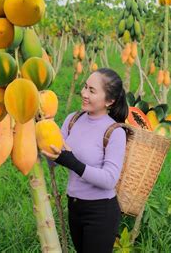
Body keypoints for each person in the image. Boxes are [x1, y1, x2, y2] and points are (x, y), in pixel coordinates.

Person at [42, 68, 128, 253]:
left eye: (92, 90)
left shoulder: (115, 132)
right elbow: (54, 161)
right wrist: (41, 131)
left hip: (100, 212)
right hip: (74, 207)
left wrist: (73, 162)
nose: (84, 94)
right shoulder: (72, 120)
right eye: (85, 87)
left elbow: (109, 180)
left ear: (110, 101)